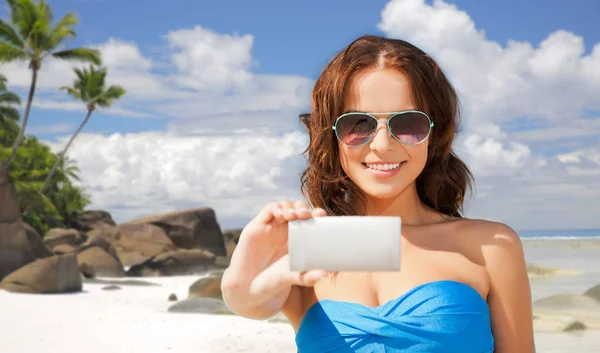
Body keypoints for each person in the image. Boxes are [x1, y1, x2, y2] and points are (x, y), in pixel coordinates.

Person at [221, 35, 535, 353]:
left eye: (408, 122)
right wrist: (246, 266)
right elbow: (248, 302)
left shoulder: (490, 246)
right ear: (331, 136)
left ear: (434, 133)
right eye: (358, 124)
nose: (383, 145)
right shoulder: (313, 244)